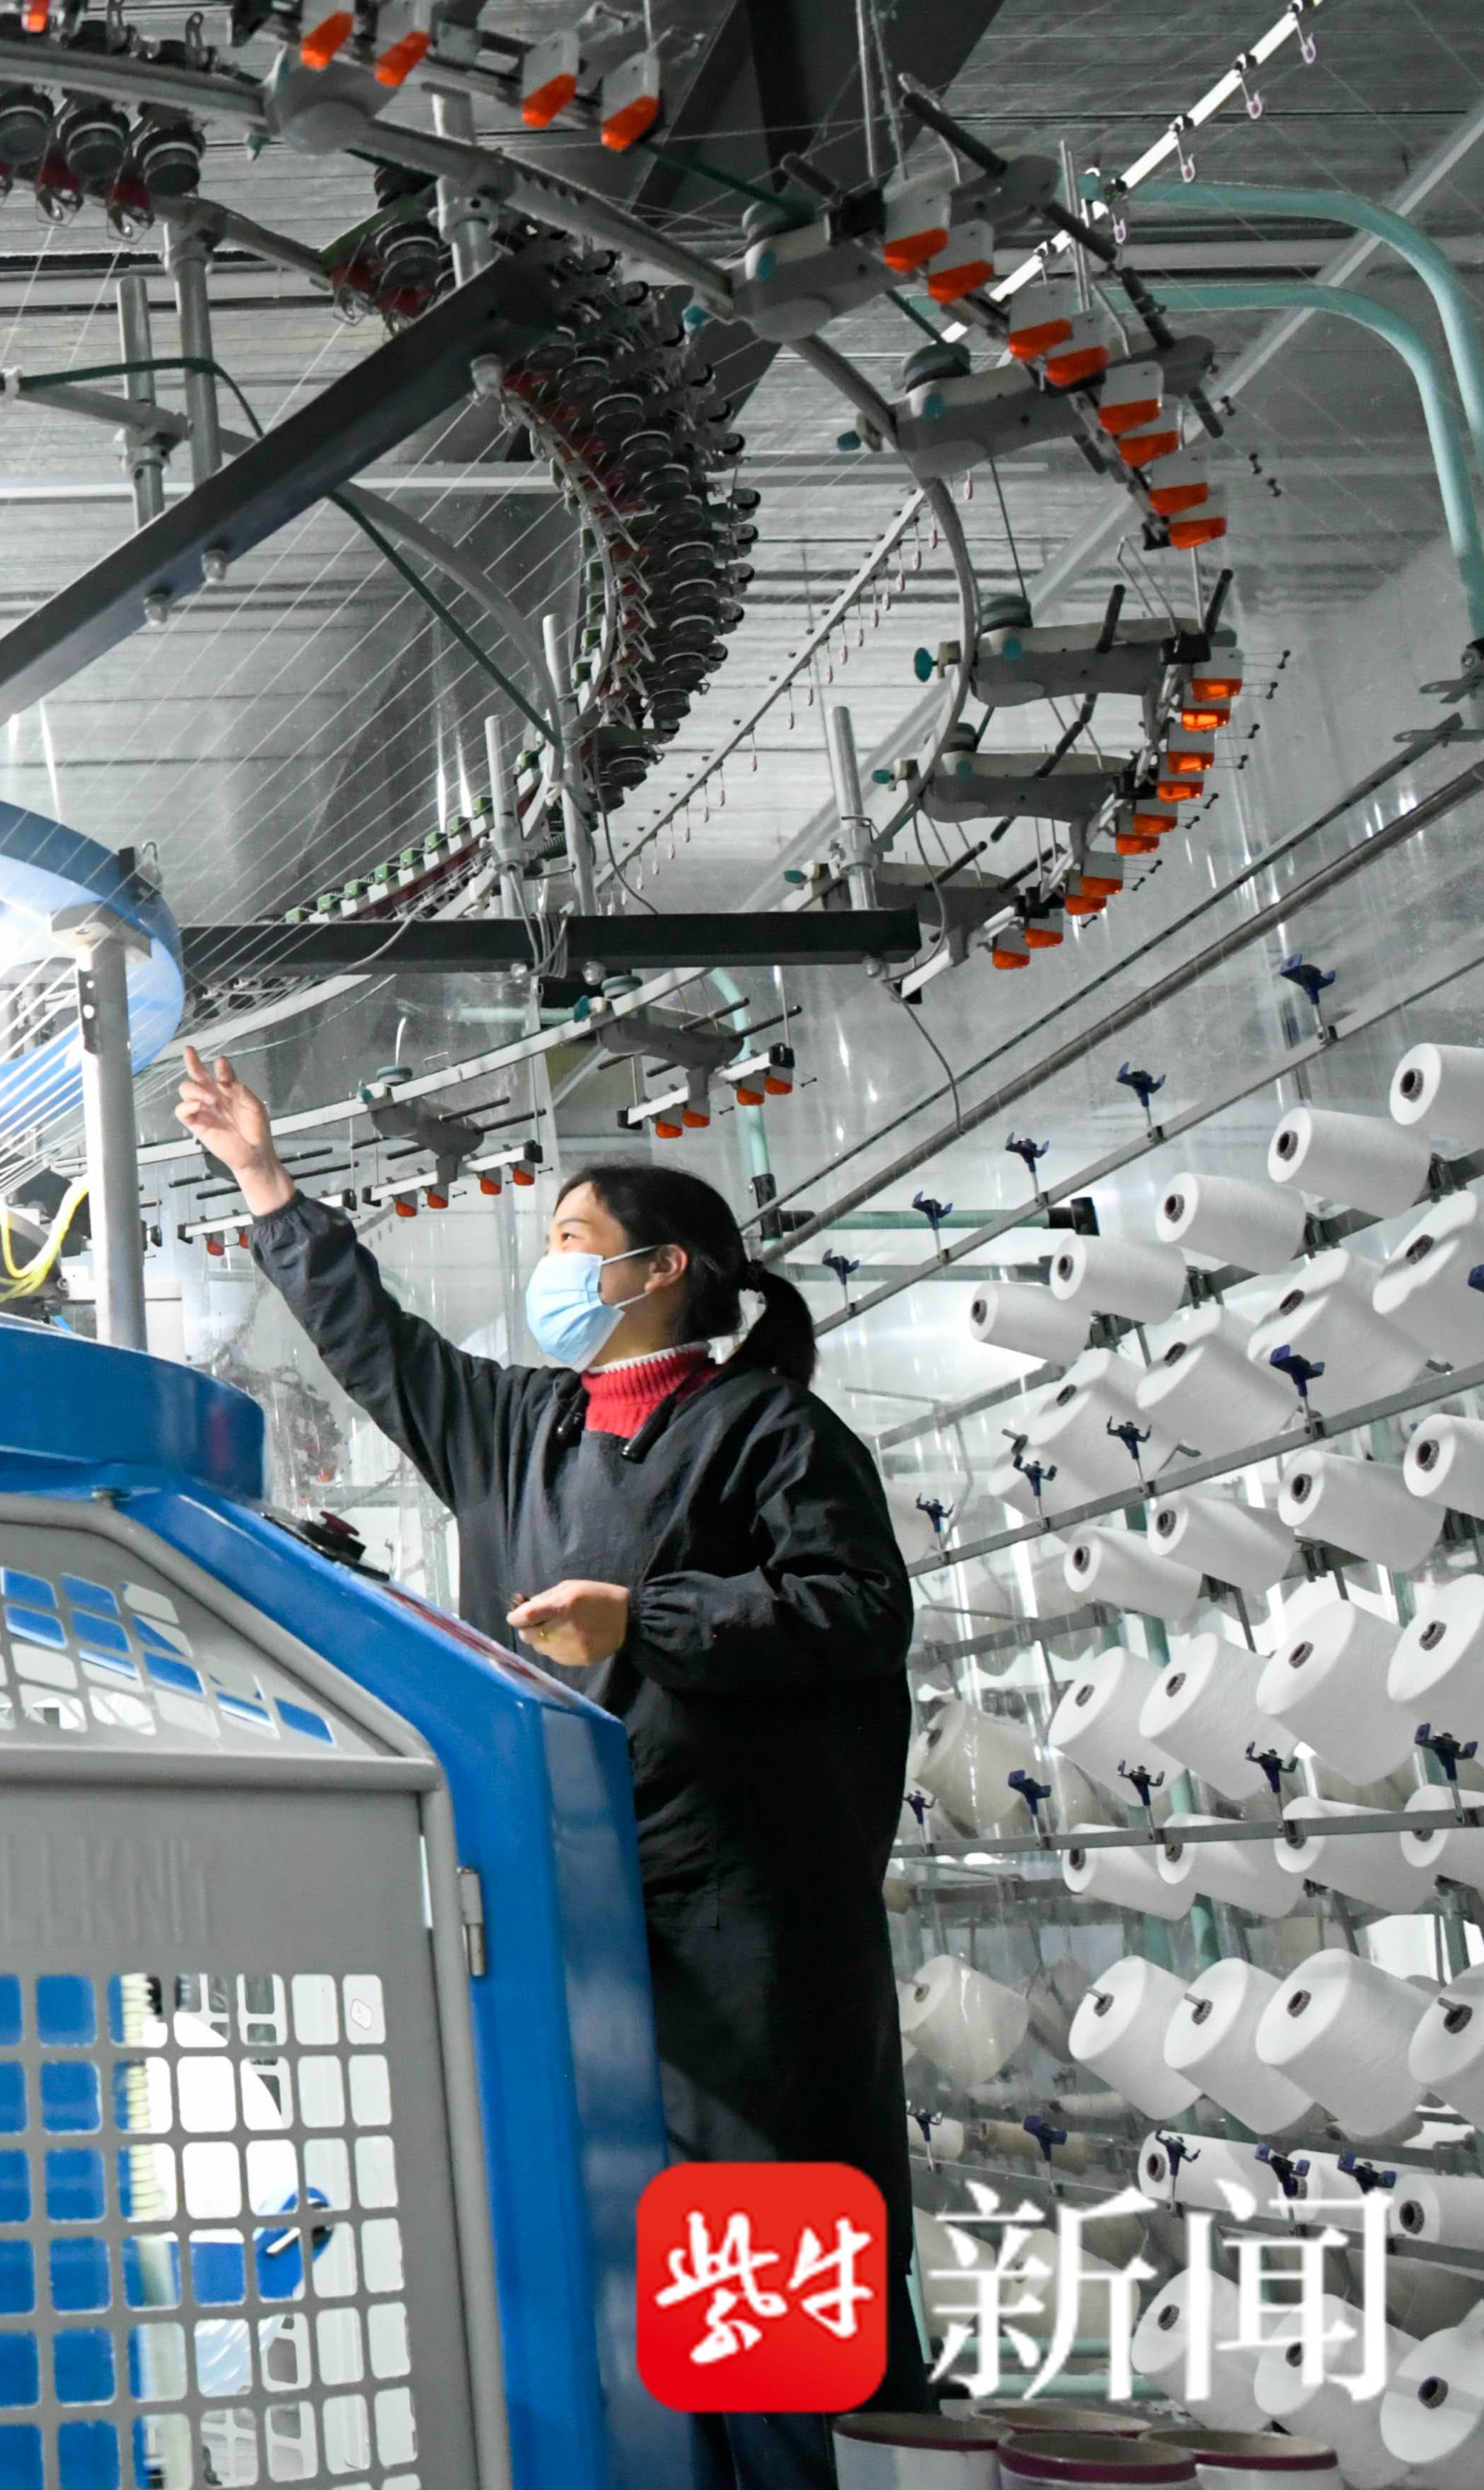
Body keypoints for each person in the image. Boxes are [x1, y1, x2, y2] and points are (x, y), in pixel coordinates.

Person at [175, 1050, 927, 2490]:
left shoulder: (770, 1432)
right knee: (596, 2258)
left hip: (743, 1920)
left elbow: (857, 1609)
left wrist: (647, 1619)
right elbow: (378, 1343)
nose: (553, 1265)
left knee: (762, 2261)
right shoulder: (526, 1425)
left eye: (576, 1237)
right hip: (568, 1902)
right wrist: (263, 1178)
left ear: (664, 1269)